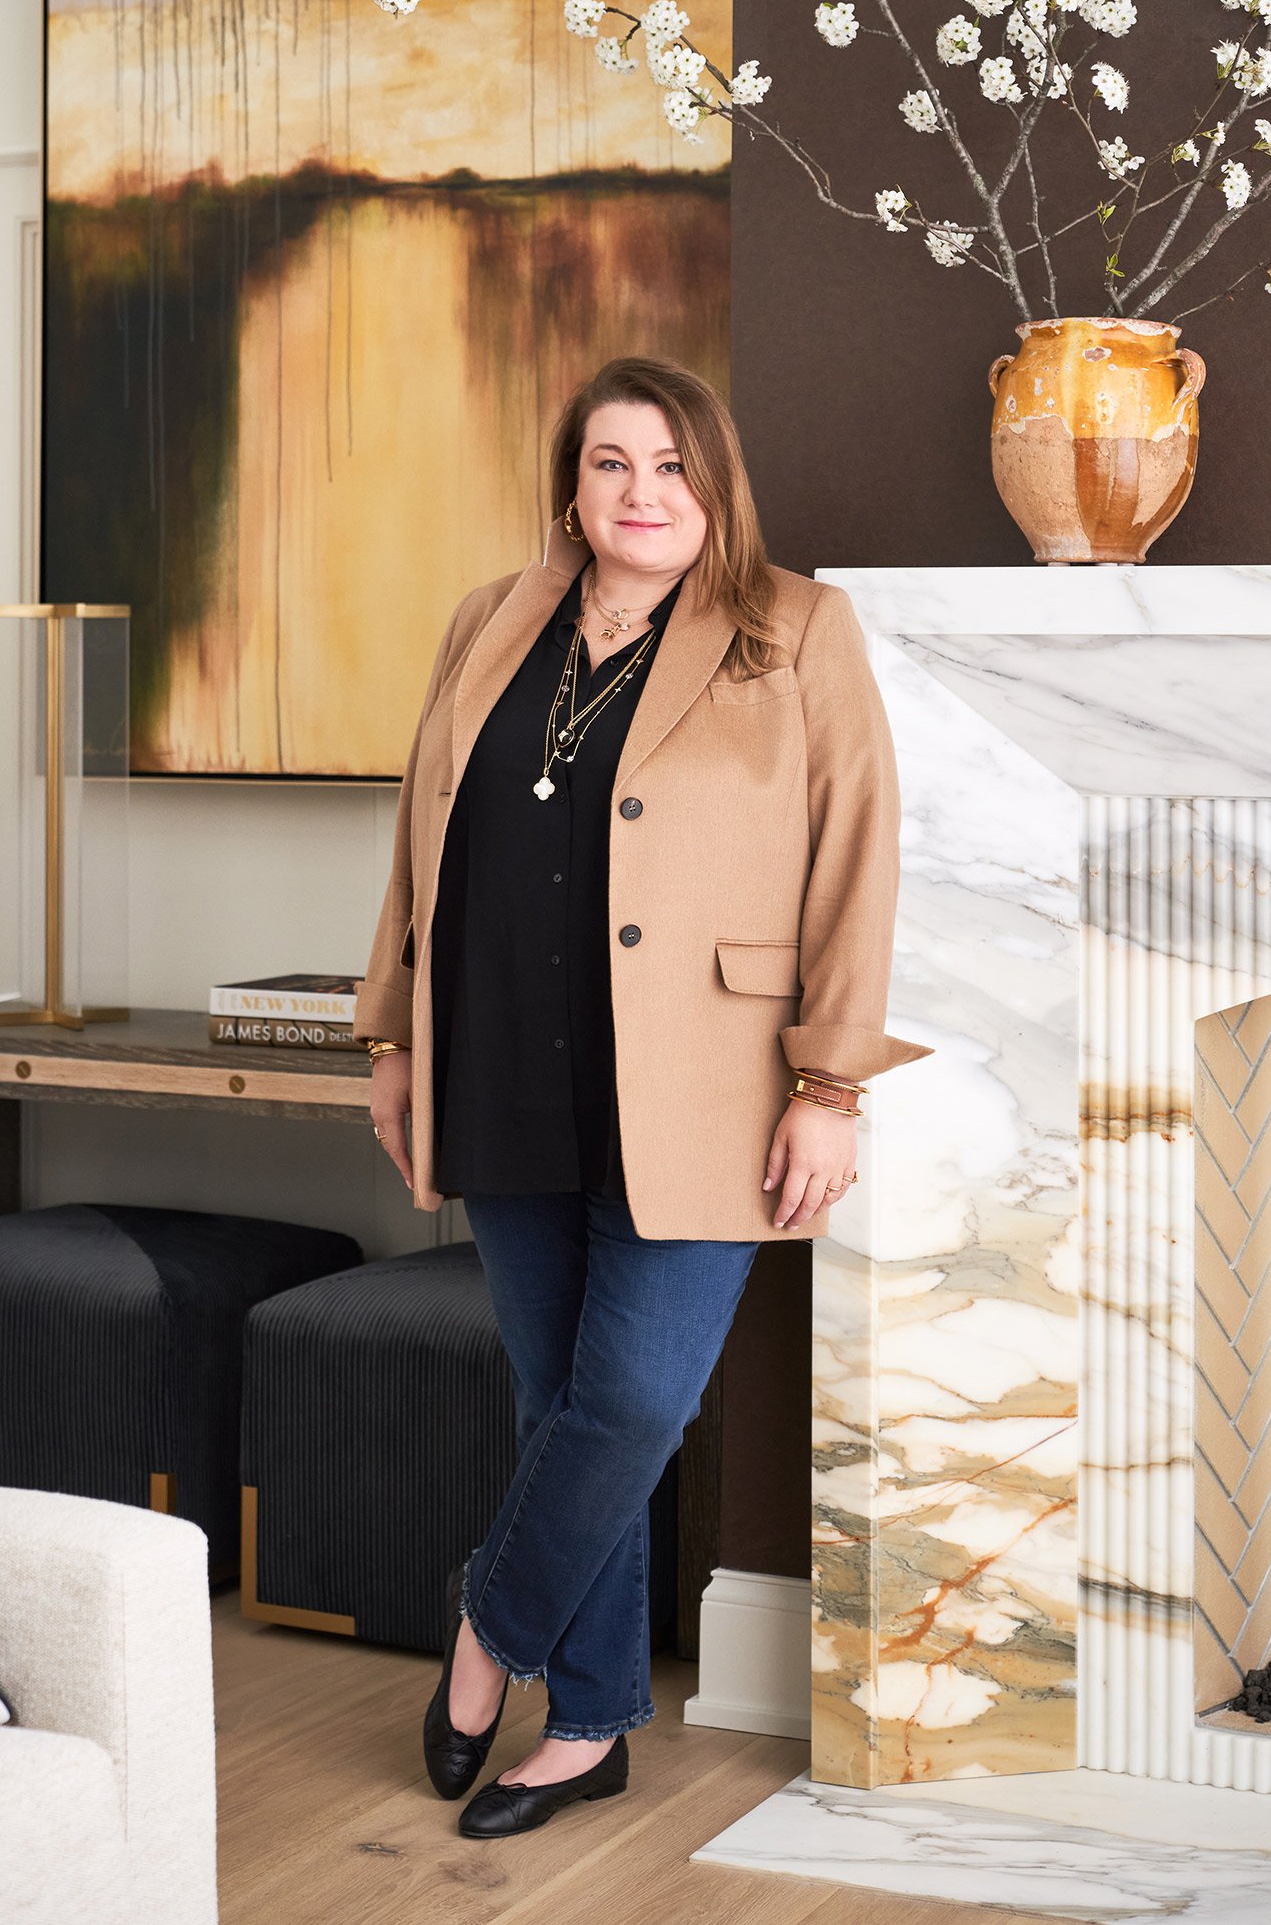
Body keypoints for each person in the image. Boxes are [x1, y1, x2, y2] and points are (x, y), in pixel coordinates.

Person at [353, 355, 931, 1840]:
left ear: (715, 480)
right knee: (557, 1398)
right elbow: (422, 838)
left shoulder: (797, 626)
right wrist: (393, 1038)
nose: (642, 492)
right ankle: (592, 1723)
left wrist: (831, 1081)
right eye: (612, 462)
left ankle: (489, 1633)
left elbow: (858, 856)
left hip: (707, 1084)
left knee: (631, 1397)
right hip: (498, 1063)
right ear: (574, 480)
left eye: (672, 465)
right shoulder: (495, 619)